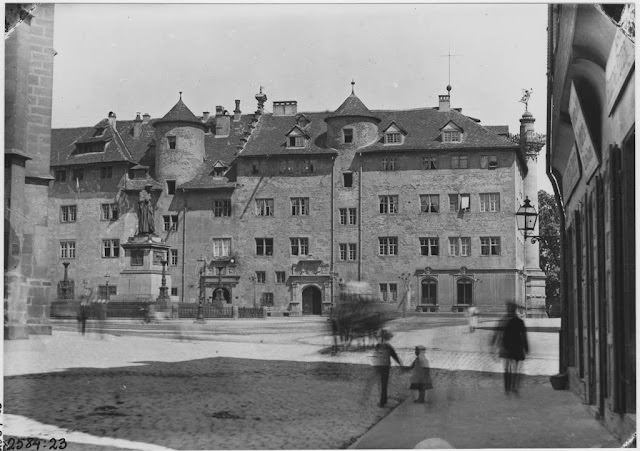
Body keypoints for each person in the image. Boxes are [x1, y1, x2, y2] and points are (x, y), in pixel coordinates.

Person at [492, 302, 529, 395]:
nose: (510, 310)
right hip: (512, 347)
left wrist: (493, 342)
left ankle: (509, 388)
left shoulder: (505, 320)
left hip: (509, 347)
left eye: (510, 308)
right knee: (512, 369)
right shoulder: (518, 321)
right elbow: (523, 336)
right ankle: (511, 388)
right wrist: (526, 347)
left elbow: (497, 332)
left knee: (510, 369)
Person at [372, 329, 403, 407]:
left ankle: (383, 401)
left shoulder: (378, 346)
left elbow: (375, 356)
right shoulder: (387, 346)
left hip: (380, 366)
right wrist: (400, 364)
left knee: (381, 384)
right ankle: (383, 400)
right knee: (383, 384)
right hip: (384, 366)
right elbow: (394, 356)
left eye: (380, 337)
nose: (379, 338)